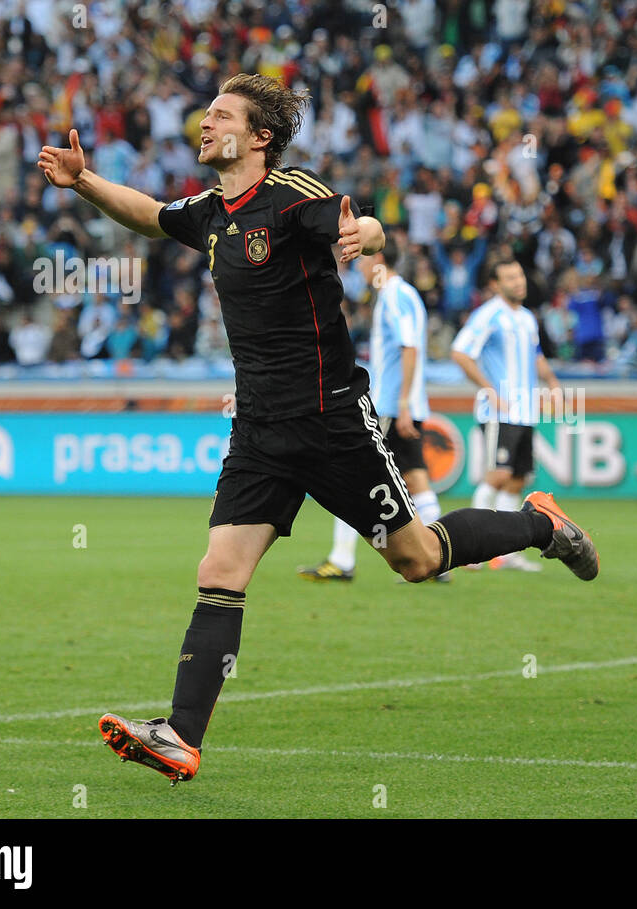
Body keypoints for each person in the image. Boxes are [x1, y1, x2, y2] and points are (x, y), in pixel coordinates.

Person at [38, 74, 598, 784]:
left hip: (333, 421)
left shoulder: (291, 193)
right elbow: (150, 214)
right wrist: (85, 180)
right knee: (220, 569)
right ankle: (181, 734)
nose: (203, 124)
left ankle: (537, 524)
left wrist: (360, 233)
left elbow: (365, 226)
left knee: (417, 559)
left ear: (259, 136)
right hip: (260, 430)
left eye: (219, 115)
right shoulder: (213, 211)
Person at [299, 235, 449, 582]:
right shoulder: (399, 294)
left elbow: (409, 348)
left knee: (349, 473)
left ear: (378, 257)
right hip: (400, 404)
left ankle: (342, 560)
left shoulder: (395, 295)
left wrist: (403, 404)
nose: (360, 266)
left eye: (363, 259)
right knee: (416, 478)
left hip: (389, 407)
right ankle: (438, 560)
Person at [451, 255, 564, 572]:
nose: (519, 282)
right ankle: (470, 550)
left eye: (520, 276)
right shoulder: (488, 315)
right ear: (495, 285)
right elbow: (460, 353)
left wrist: (553, 382)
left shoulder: (527, 317)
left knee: (517, 480)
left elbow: (536, 355)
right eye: (511, 278)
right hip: (500, 412)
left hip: (526, 412)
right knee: (497, 476)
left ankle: (507, 553)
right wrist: (488, 388)